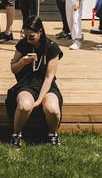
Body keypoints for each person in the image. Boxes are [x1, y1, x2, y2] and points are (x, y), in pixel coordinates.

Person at [6, 16, 63, 147]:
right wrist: (22, 62)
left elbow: (49, 77)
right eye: (25, 36)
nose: (28, 39)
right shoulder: (23, 45)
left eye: (31, 36)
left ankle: (52, 134)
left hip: (47, 85)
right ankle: (16, 134)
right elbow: (13, 69)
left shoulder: (51, 48)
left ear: (40, 32)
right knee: (24, 106)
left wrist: (39, 100)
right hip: (26, 84)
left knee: (52, 109)